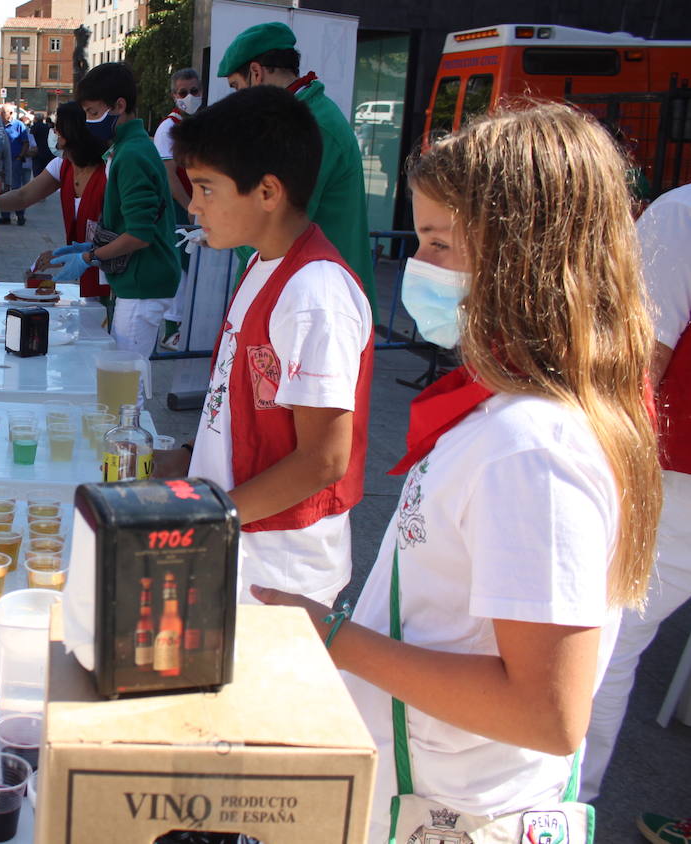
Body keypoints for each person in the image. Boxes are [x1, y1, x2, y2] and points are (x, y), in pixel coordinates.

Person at [253, 104, 662, 839]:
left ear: (525, 256)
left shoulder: (531, 449)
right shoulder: (506, 418)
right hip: (436, 793)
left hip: (458, 810)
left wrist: (329, 632)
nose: (418, 267)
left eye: (441, 244)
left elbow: (548, 711)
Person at [157, 86, 372, 609]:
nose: (194, 204)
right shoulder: (260, 264)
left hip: (279, 569)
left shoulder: (313, 292)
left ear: (268, 192)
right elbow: (248, 406)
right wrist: (186, 460)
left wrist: (213, 516)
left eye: (207, 188)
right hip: (238, 541)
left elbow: (323, 458)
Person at [580, 182, 691, 799]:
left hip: (674, 475)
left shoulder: (681, 215)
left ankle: (567, 804)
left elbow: (639, 364)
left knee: (605, 636)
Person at [219, 22, 377, 317]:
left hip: (318, 301)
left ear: (256, 73)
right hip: (299, 289)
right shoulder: (295, 120)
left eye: (237, 88)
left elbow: (280, 226)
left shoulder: (312, 126)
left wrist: (225, 229)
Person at [36, 63, 181, 356]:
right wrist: (89, 245)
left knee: (127, 382)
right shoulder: (128, 148)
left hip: (144, 283)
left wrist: (89, 257)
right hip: (141, 281)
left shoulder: (131, 154)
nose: (89, 122)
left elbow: (139, 234)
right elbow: (132, 224)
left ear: (119, 105)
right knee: (125, 379)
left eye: (93, 113)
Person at [0, 102, 109, 298]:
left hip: (113, 276)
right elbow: (24, 195)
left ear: (67, 134)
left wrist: (77, 255)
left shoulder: (108, 170)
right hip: (86, 275)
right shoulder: (62, 166)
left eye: (55, 128)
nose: (53, 133)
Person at [154, 67, 203, 351]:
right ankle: (171, 330)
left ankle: (185, 326)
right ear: (174, 95)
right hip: (178, 207)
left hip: (195, 206)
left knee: (192, 265)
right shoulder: (167, 128)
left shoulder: (199, 124)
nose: (189, 97)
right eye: (183, 92)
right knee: (181, 267)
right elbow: (169, 175)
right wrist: (189, 208)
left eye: (194, 91)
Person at [0, 105, 35, 226]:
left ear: (10, 113)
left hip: (15, 161)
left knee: (15, 187)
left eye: (3, 112)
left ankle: (20, 215)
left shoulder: (19, 125)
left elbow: (25, 143)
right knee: (4, 189)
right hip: (2, 161)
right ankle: (5, 216)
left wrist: (20, 157)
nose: (0, 114)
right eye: (0, 112)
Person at [30, 111, 55, 179]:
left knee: (37, 174)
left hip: (37, 153)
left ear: (35, 119)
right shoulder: (47, 127)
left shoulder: (33, 128)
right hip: (47, 152)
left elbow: (31, 140)